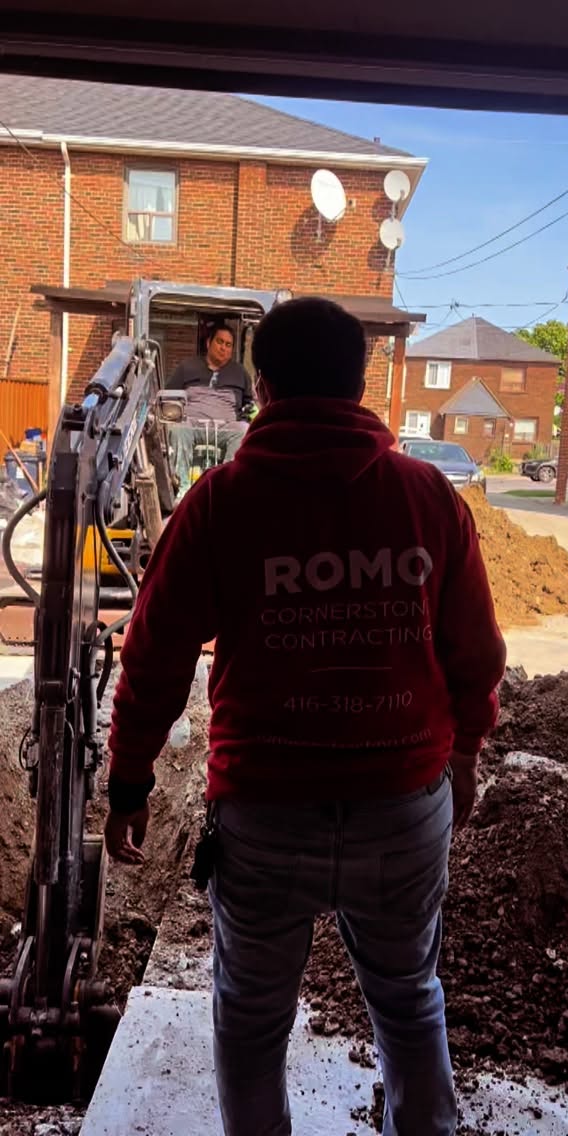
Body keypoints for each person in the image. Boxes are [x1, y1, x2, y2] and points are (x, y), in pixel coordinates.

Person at [105, 298, 506, 1136]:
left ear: (262, 385)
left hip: (266, 816)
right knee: (409, 1001)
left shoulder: (221, 503)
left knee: (251, 1022)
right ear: (361, 386)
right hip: (403, 805)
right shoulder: (427, 496)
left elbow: (154, 657)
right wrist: (463, 756)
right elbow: (475, 652)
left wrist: (131, 780)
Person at [168, 321, 254, 488]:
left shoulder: (240, 373)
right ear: (209, 343)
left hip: (226, 428)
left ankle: (228, 487)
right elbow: (169, 396)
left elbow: (249, 404)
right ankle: (181, 488)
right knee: (177, 428)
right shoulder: (187, 367)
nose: (223, 348)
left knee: (242, 430)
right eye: (219, 342)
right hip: (192, 425)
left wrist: (247, 416)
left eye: (228, 345)